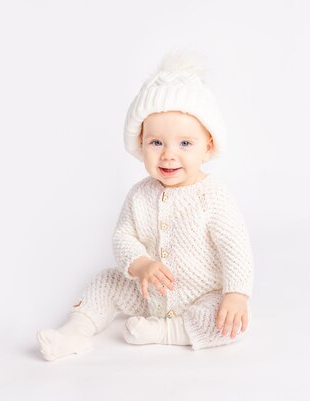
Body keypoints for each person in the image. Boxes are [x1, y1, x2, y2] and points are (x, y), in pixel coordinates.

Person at [36, 51, 254, 361]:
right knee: (107, 280)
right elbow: (123, 236)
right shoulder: (139, 195)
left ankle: (166, 332)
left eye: (185, 143)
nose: (168, 155)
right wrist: (141, 265)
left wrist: (236, 295)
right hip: (150, 293)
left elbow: (236, 249)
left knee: (232, 323)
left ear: (208, 146)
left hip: (202, 296)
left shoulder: (214, 197)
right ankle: (75, 331)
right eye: (156, 143)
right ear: (141, 144)